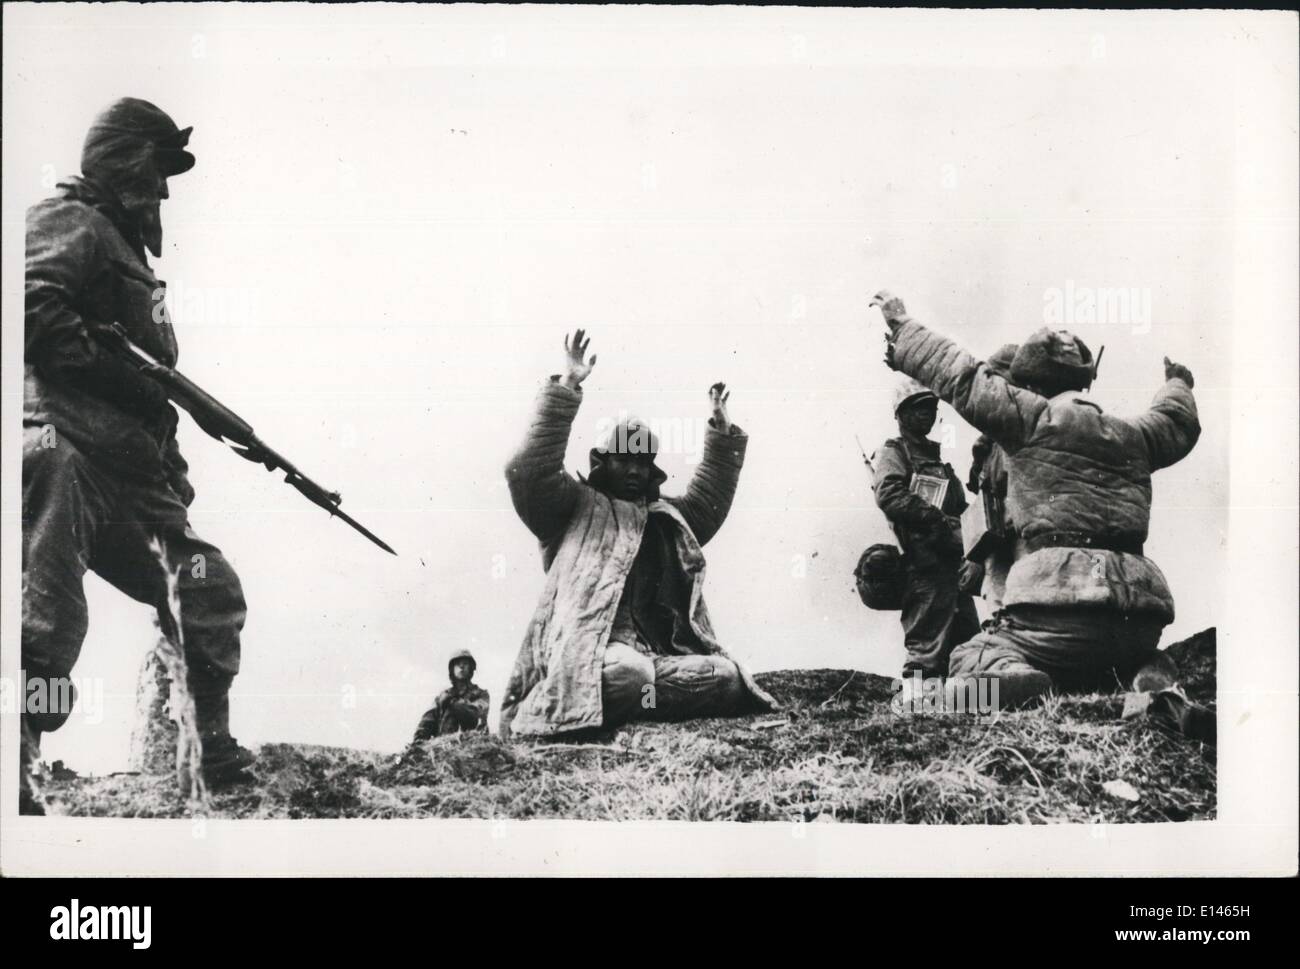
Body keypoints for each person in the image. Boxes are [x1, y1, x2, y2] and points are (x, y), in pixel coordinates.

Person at [22, 98, 254, 812]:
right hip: (65, 449)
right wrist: (115, 373)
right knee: (48, 616)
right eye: (158, 169)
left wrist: (172, 483)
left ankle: (207, 746)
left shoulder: (130, 257)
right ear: (123, 160)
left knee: (206, 584)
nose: (164, 189)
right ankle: (17, 748)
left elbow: (155, 399)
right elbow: (29, 306)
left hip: (129, 470)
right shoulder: (72, 221)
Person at [869, 290, 1197, 708]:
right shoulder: (1136, 435)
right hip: (1139, 617)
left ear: (1031, 383)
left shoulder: (1029, 420)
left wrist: (901, 326)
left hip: (1055, 611)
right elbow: (1177, 421)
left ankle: (1012, 681)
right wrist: (1178, 382)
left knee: (971, 657)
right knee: (1124, 655)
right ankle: (1147, 677)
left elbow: (962, 376)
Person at [500, 329, 777, 737]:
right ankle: (551, 708)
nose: (634, 470)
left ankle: (626, 707)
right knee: (628, 673)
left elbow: (706, 504)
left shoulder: (662, 517)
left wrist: (720, 432)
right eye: (624, 460)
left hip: (653, 658)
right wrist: (568, 387)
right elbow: (526, 471)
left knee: (725, 677)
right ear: (603, 463)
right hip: (588, 655)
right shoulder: (571, 506)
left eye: (643, 463)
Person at [872, 379, 981, 685]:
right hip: (923, 567)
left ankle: (961, 719)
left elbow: (963, 511)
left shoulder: (942, 466)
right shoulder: (896, 451)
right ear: (901, 414)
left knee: (969, 647)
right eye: (918, 408)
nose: (927, 414)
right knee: (926, 648)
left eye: (931, 408)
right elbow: (889, 493)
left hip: (952, 567)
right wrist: (934, 519)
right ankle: (918, 717)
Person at [962, 343, 1020, 612]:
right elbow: (981, 492)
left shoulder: (1032, 429)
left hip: (1025, 536)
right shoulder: (988, 441)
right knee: (997, 605)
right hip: (997, 540)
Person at [413, 649, 491, 741]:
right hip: (444, 745)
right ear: (452, 669)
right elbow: (428, 721)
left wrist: (453, 702)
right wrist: (419, 741)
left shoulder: (481, 694)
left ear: (471, 668)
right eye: (458, 664)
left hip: (473, 743)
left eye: (465, 663)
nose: (461, 666)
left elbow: (474, 715)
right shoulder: (442, 696)